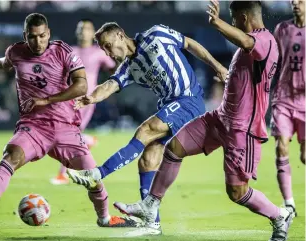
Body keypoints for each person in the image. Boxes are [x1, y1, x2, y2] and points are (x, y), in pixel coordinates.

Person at [113, 1, 294, 240]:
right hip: (219, 119)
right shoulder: (250, 43)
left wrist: (217, 23)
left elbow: (248, 43)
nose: (232, 22)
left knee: (237, 192)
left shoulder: (265, 41)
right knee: (174, 148)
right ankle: (151, 204)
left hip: (242, 130)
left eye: (233, 18)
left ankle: (279, 215)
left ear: (243, 17)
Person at [0, 13, 138, 228]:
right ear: (25, 36)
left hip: (66, 127)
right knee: (11, 155)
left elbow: (82, 85)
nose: (37, 42)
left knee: (93, 178)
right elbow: (5, 62)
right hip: (34, 127)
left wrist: (46, 100)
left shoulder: (63, 51)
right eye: (32, 37)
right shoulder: (16, 52)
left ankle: (104, 218)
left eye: (41, 36)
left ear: (48, 33)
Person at [67, 19, 227, 234]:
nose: (107, 52)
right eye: (103, 48)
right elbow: (110, 85)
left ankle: (98, 174)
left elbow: (189, 44)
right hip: (171, 106)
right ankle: (153, 223)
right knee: (148, 159)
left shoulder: (157, 34)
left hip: (188, 99)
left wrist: (218, 67)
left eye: (107, 45)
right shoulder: (129, 67)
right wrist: (90, 98)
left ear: (120, 35)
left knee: (145, 130)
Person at [50, 19, 116, 185]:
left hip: (87, 99)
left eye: (86, 29)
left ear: (93, 33)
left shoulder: (99, 52)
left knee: (69, 135)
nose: (82, 32)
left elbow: (113, 68)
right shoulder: (70, 51)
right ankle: (87, 140)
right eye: (80, 29)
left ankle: (62, 174)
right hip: (68, 99)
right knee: (61, 134)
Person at [270, 0, 305, 216]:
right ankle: (289, 203)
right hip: (283, 99)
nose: (295, 3)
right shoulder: (282, 29)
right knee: (281, 146)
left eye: (300, 0)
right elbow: (273, 61)